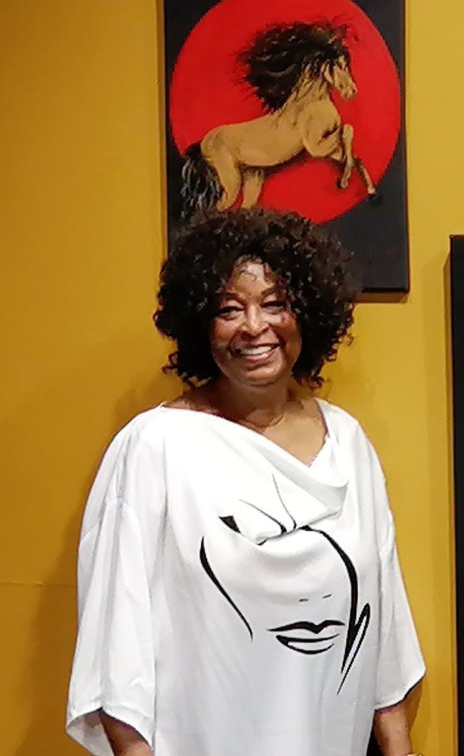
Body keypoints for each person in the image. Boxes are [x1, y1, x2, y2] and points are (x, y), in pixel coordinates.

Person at [66, 208, 425, 756]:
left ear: (307, 313)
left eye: (275, 303)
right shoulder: (155, 448)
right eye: (229, 309)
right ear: (199, 324)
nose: (254, 326)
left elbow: (385, 633)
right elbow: (118, 654)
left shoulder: (348, 443)